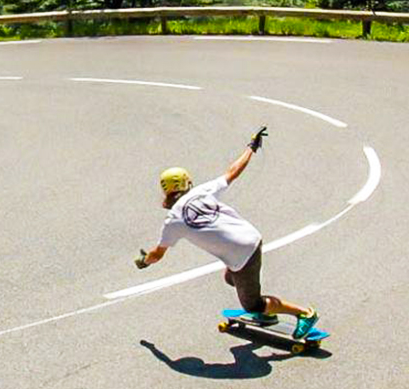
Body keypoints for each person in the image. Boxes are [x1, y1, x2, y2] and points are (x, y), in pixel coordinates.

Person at [133, 127, 320, 339]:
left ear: (166, 190)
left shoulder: (173, 220)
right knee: (230, 278)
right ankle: (266, 312)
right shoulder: (201, 191)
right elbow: (233, 172)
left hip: (242, 253)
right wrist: (251, 148)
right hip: (251, 237)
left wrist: (144, 261)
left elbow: (157, 254)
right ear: (187, 183)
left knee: (252, 303)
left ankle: (304, 313)